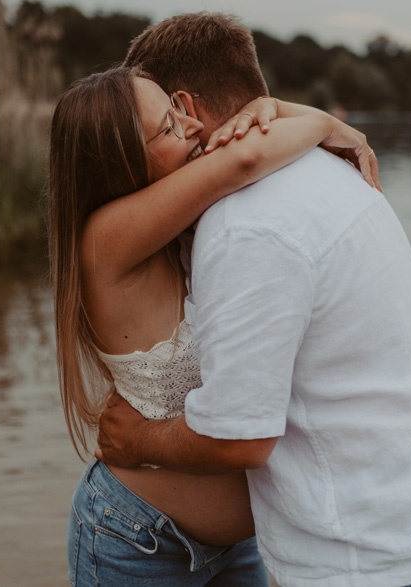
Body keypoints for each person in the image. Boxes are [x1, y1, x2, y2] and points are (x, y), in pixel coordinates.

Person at [96, 13, 411, 587]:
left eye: (167, 115)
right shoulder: (328, 170)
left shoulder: (244, 225)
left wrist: (135, 439)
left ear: (186, 105)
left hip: (375, 562)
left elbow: (241, 436)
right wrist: (311, 119)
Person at [48, 61, 378, 585]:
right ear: (120, 164)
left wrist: (261, 108)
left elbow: (248, 135)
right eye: (169, 127)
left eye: (178, 108)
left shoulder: (186, 230)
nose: (194, 125)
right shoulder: (104, 240)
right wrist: (332, 127)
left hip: (240, 545)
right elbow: (245, 157)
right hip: (134, 540)